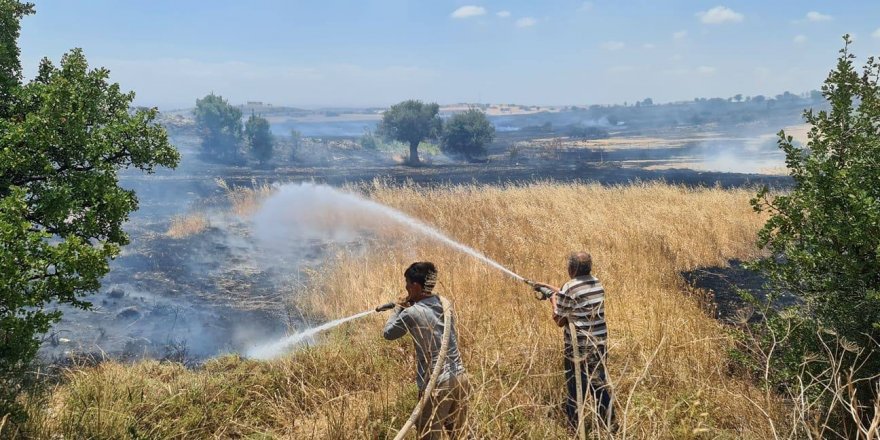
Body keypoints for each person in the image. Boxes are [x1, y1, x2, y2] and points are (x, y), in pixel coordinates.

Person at [383, 262, 469, 440]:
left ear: (415, 286)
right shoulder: (445, 303)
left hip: (436, 384)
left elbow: (388, 333)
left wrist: (399, 308)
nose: (405, 287)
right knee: (459, 434)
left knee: (427, 435)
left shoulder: (411, 313)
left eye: (407, 283)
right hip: (459, 377)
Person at [532, 252, 614, 434]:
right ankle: (609, 424)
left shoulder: (569, 287)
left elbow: (559, 320)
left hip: (578, 348)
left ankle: (574, 429)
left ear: (573, 269)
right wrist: (546, 286)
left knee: (575, 388)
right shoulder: (596, 283)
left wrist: (552, 298)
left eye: (569, 266)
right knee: (599, 385)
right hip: (599, 344)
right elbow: (570, 296)